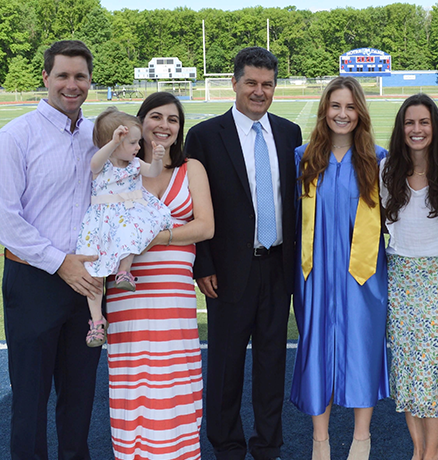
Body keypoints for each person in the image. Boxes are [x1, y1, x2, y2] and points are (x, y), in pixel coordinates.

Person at [0, 40, 103, 460]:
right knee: (30, 400)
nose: (72, 85)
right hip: (34, 281)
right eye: (63, 75)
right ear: (46, 78)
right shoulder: (16, 136)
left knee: (80, 398)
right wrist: (58, 262)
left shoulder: (97, 136)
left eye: (80, 76)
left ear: (90, 81)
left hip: (87, 285)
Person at [186, 47, 303, 460]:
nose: (259, 91)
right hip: (227, 271)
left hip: (277, 266)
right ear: (234, 83)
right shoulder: (203, 136)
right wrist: (204, 263)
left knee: (272, 362)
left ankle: (267, 443)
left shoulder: (290, 134)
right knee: (225, 364)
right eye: (251, 83)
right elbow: (192, 205)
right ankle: (228, 444)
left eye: (267, 84)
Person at [106, 92, 214, 460]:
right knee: (133, 377)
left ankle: (178, 452)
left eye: (172, 119)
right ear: (140, 121)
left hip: (173, 293)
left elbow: (205, 226)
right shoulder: (120, 169)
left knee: (173, 377)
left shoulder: (191, 169)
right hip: (126, 291)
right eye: (155, 117)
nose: (163, 126)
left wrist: (155, 237)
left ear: (180, 129)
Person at [291, 76, 388, 460]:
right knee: (316, 347)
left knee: (363, 345)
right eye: (335, 106)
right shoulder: (303, 158)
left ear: (359, 112)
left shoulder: (378, 160)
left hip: (363, 271)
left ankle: (361, 438)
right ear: (324, 110)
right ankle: (321, 439)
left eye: (350, 107)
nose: (342, 114)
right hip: (314, 272)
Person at [380, 94, 438, 460]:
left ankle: (430, 454)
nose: (417, 130)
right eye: (410, 123)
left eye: (424, 122)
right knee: (405, 369)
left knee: (429, 370)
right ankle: (417, 451)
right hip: (398, 277)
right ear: (401, 129)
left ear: (435, 127)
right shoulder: (387, 171)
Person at [76, 107, 172, 347]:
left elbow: (152, 171)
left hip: (128, 213)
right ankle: (97, 321)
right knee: (93, 271)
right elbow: (94, 163)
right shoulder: (103, 165)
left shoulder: (135, 163)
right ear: (116, 142)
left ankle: (123, 271)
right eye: (132, 142)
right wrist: (112, 143)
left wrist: (158, 158)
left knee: (130, 233)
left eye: (138, 142)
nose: (138, 147)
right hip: (101, 221)